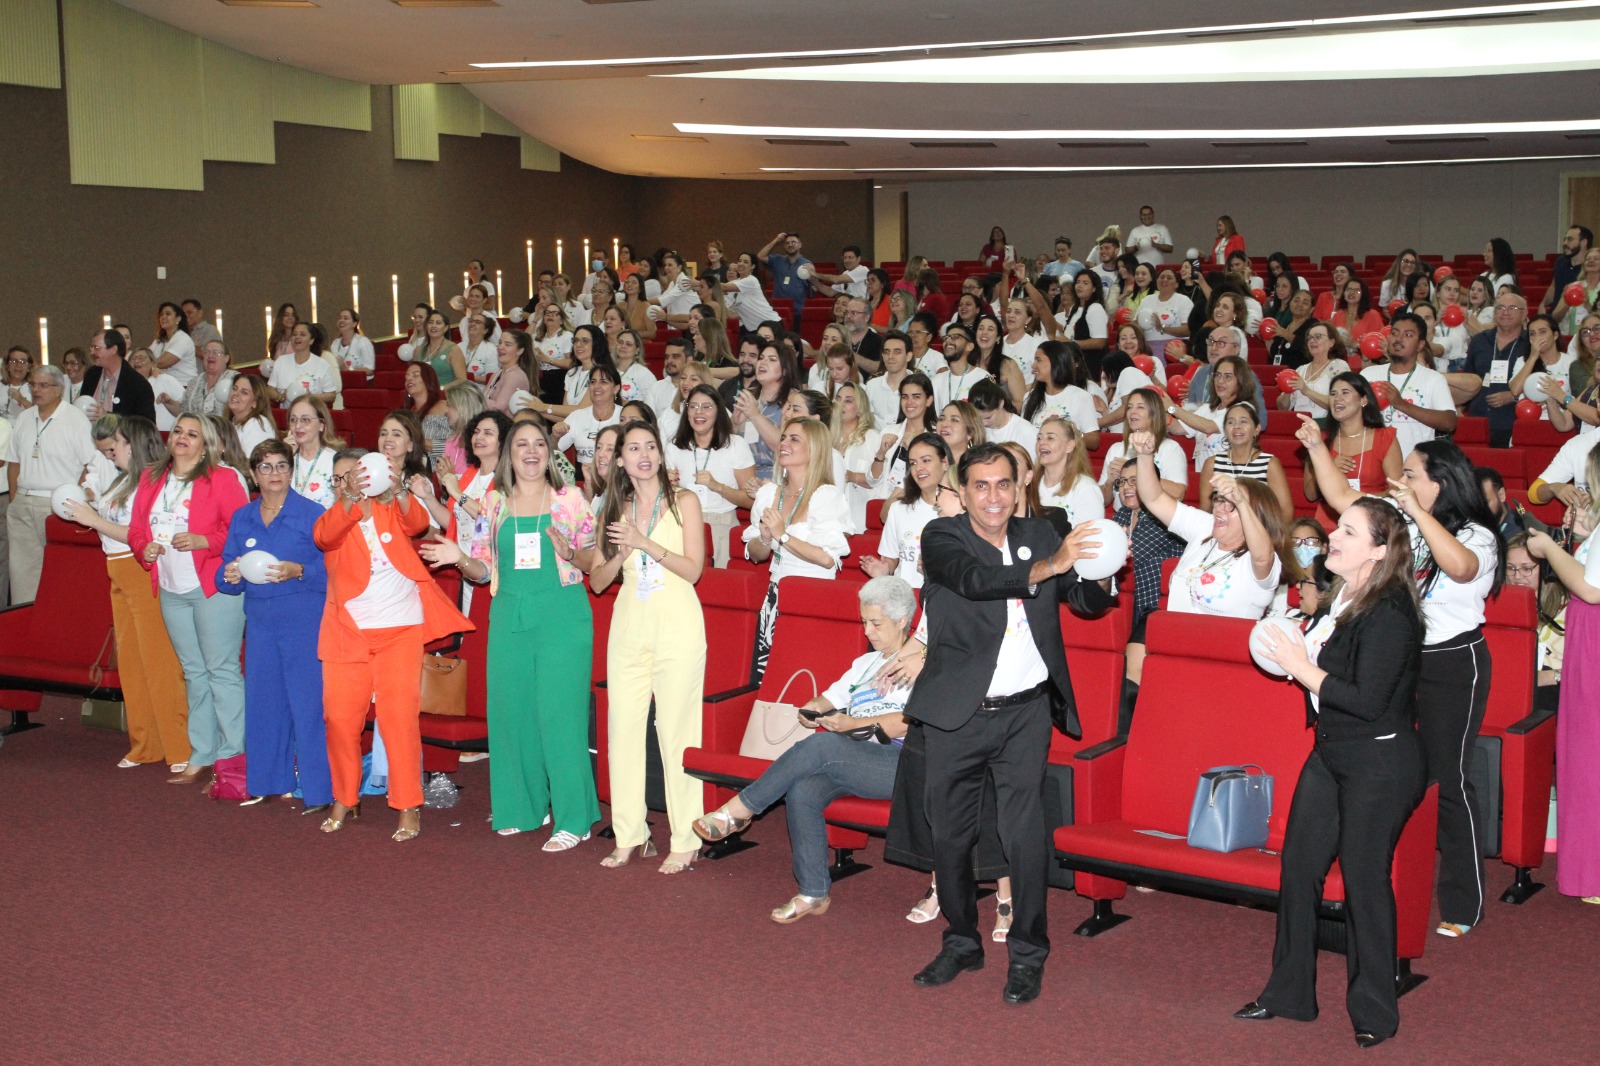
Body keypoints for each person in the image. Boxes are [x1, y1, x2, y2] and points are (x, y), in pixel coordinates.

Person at [904, 443, 1113, 1005]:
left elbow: (1082, 599)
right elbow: (976, 582)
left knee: (1024, 836)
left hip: (1025, 713)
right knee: (951, 836)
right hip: (957, 715)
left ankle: (1028, 953)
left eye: (1003, 484)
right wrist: (1051, 566)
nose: (993, 497)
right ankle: (961, 942)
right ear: (963, 490)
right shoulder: (942, 537)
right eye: (981, 485)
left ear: (1020, 486)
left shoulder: (1043, 533)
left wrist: (1103, 573)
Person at [1300, 422, 1504, 937]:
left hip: (1451, 662)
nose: (1401, 480)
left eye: (1411, 474)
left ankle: (1463, 901)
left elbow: (1461, 568)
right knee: (1396, 771)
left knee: (1447, 775)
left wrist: (1416, 512)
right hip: (1396, 655)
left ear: (1441, 482)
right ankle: (1396, 881)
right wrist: (1316, 447)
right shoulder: (1405, 518)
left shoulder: (1476, 533)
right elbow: (1341, 497)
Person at [1238, 498, 1428, 1049]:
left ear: (1378, 551)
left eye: (1348, 531)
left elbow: (1367, 701)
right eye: (1337, 527)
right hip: (1332, 752)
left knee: (1365, 880)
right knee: (1299, 868)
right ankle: (1289, 994)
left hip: (1381, 762)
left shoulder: (1391, 612)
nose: (1333, 536)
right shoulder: (1341, 594)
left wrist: (1301, 669)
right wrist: (1296, 657)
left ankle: (1375, 1012)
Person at [695, 576, 917, 921]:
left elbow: (906, 723)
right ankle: (813, 893)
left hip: (900, 763)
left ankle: (740, 810)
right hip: (855, 757)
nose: (867, 631)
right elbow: (827, 698)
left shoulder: (919, 665)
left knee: (825, 745)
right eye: (863, 621)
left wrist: (850, 724)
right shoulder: (865, 665)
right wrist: (812, 709)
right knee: (803, 790)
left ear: (902, 621)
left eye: (876, 623)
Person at [316, 447, 472, 843]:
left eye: (355, 474)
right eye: (340, 478)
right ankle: (345, 797)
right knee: (339, 720)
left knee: (398, 720)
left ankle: (407, 803)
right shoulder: (334, 516)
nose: (349, 481)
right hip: (347, 633)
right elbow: (324, 537)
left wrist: (399, 489)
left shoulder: (392, 509)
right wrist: (349, 499)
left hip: (400, 631)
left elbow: (418, 522)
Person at [583, 420, 709, 872]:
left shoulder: (685, 501)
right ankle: (629, 834)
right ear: (620, 460)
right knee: (622, 732)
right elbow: (598, 582)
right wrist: (621, 552)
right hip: (629, 625)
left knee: (677, 732)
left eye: (650, 446)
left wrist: (644, 542)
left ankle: (685, 838)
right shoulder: (614, 509)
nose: (644, 455)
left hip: (677, 623)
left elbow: (694, 570)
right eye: (633, 448)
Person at [127, 414, 249, 787]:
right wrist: (143, 548)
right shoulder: (151, 477)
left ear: (206, 444)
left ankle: (232, 759)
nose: (182, 437)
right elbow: (136, 529)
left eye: (192, 434)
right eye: (178, 430)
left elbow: (241, 530)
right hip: (171, 588)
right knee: (194, 673)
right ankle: (201, 754)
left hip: (212, 587)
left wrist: (203, 541)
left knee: (222, 671)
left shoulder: (223, 478)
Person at [64, 414, 189, 770]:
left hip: (139, 569)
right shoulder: (123, 480)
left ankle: (179, 746)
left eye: (116, 444)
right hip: (118, 570)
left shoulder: (154, 481)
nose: (111, 452)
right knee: (132, 662)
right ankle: (145, 744)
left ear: (132, 444)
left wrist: (94, 520)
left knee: (159, 661)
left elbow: (140, 535)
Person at [216, 440, 332, 811]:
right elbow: (225, 576)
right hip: (261, 624)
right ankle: (267, 782)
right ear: (254, 474)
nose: (274, 473)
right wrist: (230, 574)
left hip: (303, 621)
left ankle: (318, 791)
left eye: (282, 465)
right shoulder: (243, 517)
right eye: (265, 467)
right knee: (263, 703)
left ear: (291, 471)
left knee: (308, 706)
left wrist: (300, 571)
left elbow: (335, 572)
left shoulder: (313, 513)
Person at [1130, 429, 1288, 620]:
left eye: (1232, 503)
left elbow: (1263, 558)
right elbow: (1154, 499)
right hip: (1175, 633)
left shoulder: (1262, 561)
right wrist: (1145, 456)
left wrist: (1241, 502)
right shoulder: (1205, 526)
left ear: (1256, 515)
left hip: (1224, 638)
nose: (1220, 508)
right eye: (1219, 500)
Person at [743, 419, 851, 678]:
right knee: (768, 676)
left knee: (802, 674)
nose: (784, 443)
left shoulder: (826, 496)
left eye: (794, 439)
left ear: (813, 449)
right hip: (776, 595)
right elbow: (756, 555)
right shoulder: (769, 494)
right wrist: (766, 538)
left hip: (813, 597)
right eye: (784, 437)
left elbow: (827, 559)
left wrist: (782, 536)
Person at [6, 364, 95, 604]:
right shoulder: (24, 418)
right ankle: (25, 616)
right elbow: (13, 462)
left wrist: (75, 501)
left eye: (43, 385)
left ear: (59, 389)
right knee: (22, 570)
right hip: (23, 501)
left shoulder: (75, 419)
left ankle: (60, 615)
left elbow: (90, 464)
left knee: (61, 567)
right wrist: (14, 498)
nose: (36, 390)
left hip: (57, 505)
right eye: (33, 384)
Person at [1362, 311, 1456, 457]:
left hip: (1414, 462)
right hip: (1373, 460)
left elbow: (1449, 422)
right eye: (1394, 333)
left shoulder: (1433, 378)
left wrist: (1401, 404)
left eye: (1408, 335)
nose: (1398, 339)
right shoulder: (1368, 374)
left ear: (1420, 345)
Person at [1459, 292, 1530, 446]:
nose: (1505, 312)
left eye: (1512, 308)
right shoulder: (1479, 341)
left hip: (1512, 421)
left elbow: (1539, 383)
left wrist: (1514, 396)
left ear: (1524, 313)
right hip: (1478, 419)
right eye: (1500, 308)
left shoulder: (1531, 344)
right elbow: (1467, 378)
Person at [1099, 387, 1185, 506]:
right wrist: (1109, 482)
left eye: (1140, 407)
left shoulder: (1170, 448)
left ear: (1154, 413)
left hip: (1155, 516)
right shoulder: (1116, 449)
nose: (1132, 411)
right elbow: (1102, 501)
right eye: (1129, 407)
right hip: (1122, 515)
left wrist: (1134, 472)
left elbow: (1178, 493)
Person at [80, 329, 157, 424]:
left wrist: (109, 418)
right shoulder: (91, 374)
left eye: (96, 348)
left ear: (113, 349)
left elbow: (147, 425)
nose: (92, 352)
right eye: (91, 348)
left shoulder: (138, 384)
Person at [1276, 322, 1346, 417]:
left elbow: (1340, 402)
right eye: (1309, 338)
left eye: (1318, 336)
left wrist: (1306, 390)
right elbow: (1282, 408)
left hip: (1325, 423)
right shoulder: (1300, 370)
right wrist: (1286, 390)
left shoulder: (1339, 366)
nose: (1312, 340)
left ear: (1332, 342)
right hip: (1300, 423)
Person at [266, 322, 338, 409]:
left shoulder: (322, 364)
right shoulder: (281, 361)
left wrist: (311, 397)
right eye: (294, 334)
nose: (297, 337)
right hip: (287, 413)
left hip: (312, 412)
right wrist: (279, 396)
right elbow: (270, 389)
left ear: (311, 340)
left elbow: (331, 395)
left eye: (302, 334)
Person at [1538, 225, 1592, 315]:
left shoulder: (1591, 267)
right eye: (1565, 239)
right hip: (1556, 315)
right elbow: (1554, 286)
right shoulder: (1561, 261)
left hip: (1578, 315)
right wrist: (1543, 304)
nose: (1565, 243)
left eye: (1570, 239)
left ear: (1583, 242)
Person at [128, 347, 184, 432]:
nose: (136, 361)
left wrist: (170, 402)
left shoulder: (165, 379)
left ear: (152, 363)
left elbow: (187, 409)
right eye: (133, 359)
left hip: (165, 434)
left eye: (141, 358)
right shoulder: (126, 385)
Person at [181, 339, 238, 418]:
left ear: (226, 358)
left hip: (224, 425)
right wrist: (169, 402)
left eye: (215, 352)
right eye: (206, 352)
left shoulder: (235, 379)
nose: (210, 355)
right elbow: (183, 411)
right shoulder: (193, 382)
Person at [414, 309, 468, 387]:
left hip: (446, 393)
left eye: (438, 323)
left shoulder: (454, 350)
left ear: (445, 328)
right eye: (430, 322)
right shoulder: (418, 350)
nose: (433, 326)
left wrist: (441, 389)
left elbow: (462, 380)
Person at [226, 375, 276, 460]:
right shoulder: (232, 421)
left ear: (255, 402)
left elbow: (252, 464)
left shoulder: (257, 425)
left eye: (244, 392)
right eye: (234, 388)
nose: (236, 393)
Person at [149, 301, 197, 387]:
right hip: (165, 385)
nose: (163, 317)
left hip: (184, 386)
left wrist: (145, 364)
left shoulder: (183, 338)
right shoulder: (159, 341)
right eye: (161, 314)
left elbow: (163, 363)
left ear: (178, 319)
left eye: (168, 314)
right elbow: (147, 356)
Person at [486, 329, 533, 415]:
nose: (500, 347)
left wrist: (474, 397)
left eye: (507, 344)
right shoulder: (496, 374)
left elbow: (498, 408)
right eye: (500, 342)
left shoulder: (515, 376)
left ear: (519, 351)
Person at [330, 309, 375, 377]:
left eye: (345, 318)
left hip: (360, 381)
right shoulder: (335, 343)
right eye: (339, 318)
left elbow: (370, 370)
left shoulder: (363, 342)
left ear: (354, 324)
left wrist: (347, 369)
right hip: (340, 380)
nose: (341, 320)